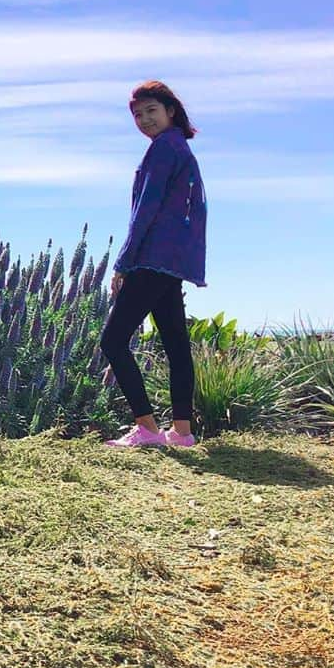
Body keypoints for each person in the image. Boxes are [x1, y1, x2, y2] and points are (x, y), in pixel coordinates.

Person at [101, 80, 207, 448]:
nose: (145, 120)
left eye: (151, 111)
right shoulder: (179, 148)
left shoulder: (164, 150)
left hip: (152, 259)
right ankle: (182, 432)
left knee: (113, 340)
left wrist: (123, 263)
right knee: (176, 343)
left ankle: (147, 430)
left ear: (170, 111)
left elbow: (146, 211)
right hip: (172, 261)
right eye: (138, 114)